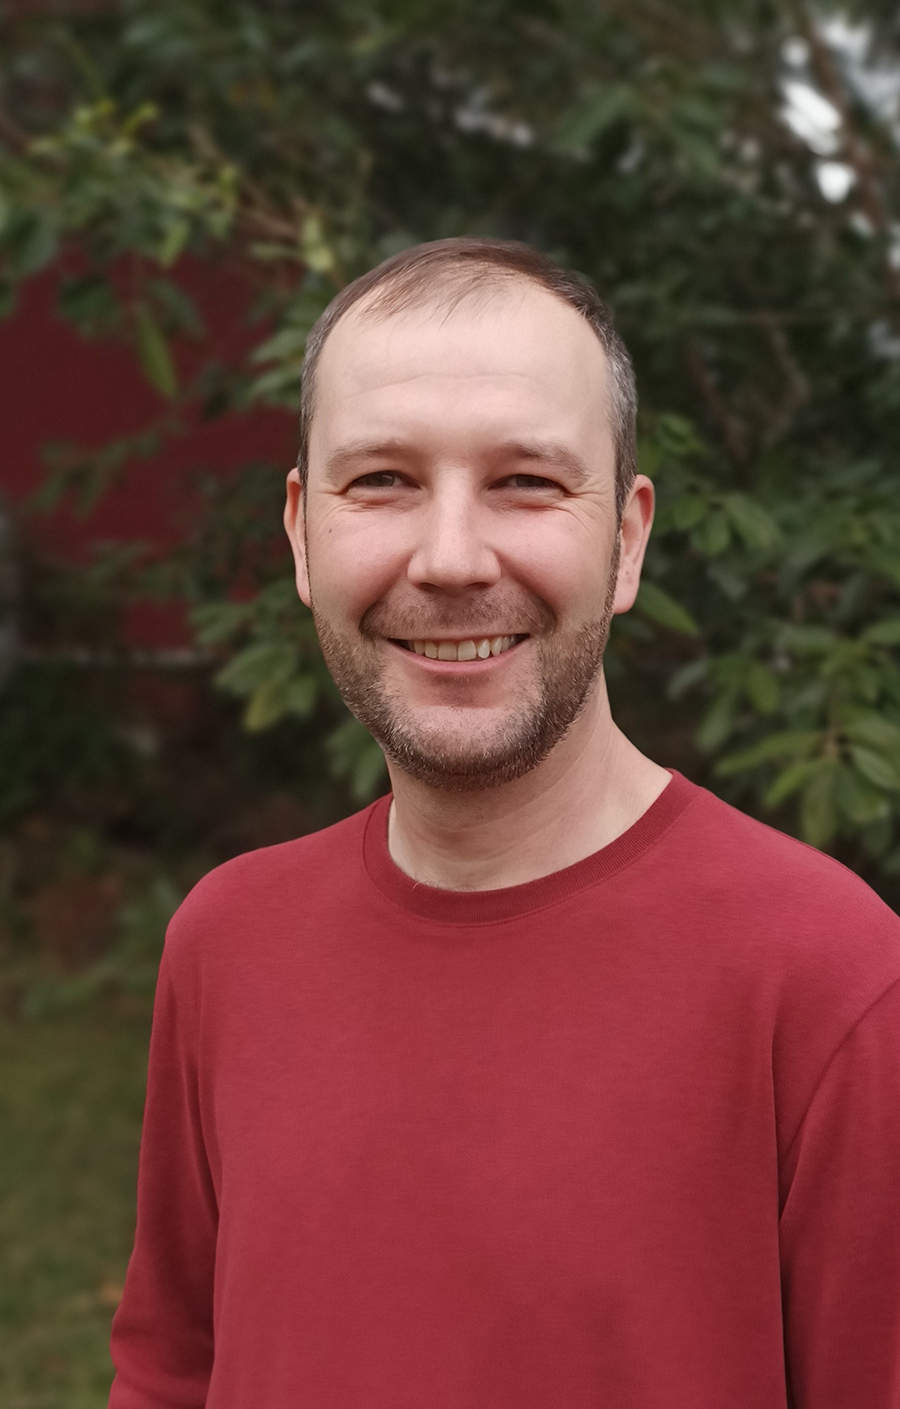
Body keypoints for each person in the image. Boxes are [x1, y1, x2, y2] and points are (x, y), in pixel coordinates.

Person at [108, 238, 900, 1409]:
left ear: (627, 538)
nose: (450, 558)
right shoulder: (226, 940)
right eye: (381, 480)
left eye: (527, 480)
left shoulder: (832, 980)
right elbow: (171, 1372)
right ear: (301, 537)